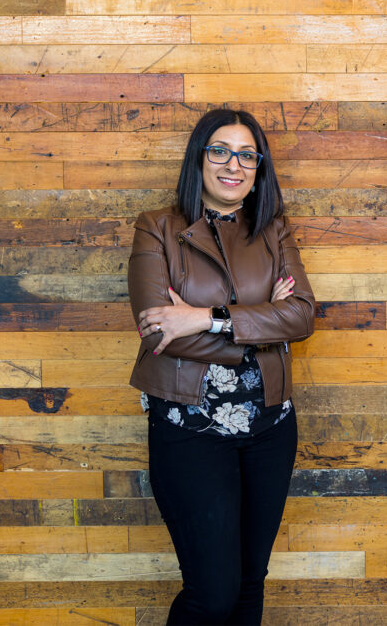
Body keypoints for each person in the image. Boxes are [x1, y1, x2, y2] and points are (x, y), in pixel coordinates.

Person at [127, 108, 315, 624]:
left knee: (250, 586)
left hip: (271, 428)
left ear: (259, 168)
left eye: (247, 155)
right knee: (212, 592)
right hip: (189, 429)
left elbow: (301, 317)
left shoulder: (272, 230)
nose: (234, 164)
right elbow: (158, 331)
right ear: (200, 158)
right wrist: (260, 326)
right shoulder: (158, 229)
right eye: (220, 150)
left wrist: (203, 319)